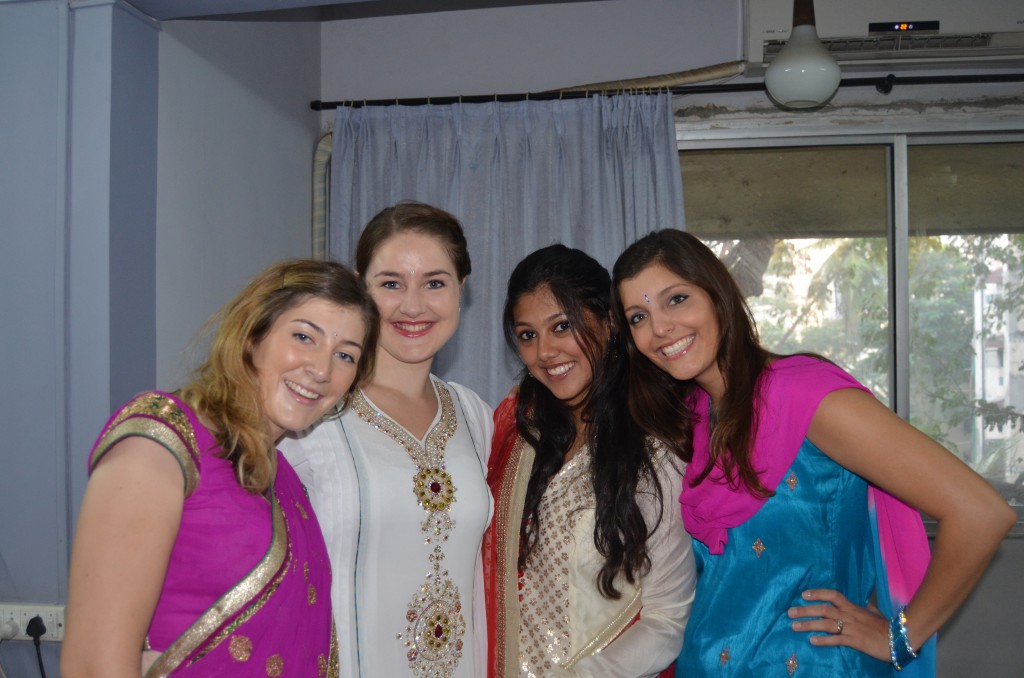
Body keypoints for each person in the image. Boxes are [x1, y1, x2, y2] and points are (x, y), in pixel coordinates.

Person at [611, 229, 1016, 676]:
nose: (659, 328)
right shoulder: (692, 419)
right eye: (637, 316)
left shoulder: (806, 393)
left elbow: (981, 512)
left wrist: (900, 637)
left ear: (717, 294)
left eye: (675, 299)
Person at [61, 259, 379, 677]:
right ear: (252, 336)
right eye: (303, 336)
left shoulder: (285, 481)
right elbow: (91, 666)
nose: (321, 370)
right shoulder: (164, 441)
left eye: (345, 356)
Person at [280, 202, 493, 678]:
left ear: (462, 290)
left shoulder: (474, 414)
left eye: (434, 283)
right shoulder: (313, 415)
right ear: (361, 289)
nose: (413, 306)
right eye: (391, 284)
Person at [483, 244, 696, 678]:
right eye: (527, 335)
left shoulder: (655, 451)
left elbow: (668, 619)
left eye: (562, 326)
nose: (544, 352)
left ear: (609, 323)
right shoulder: (517, 431)